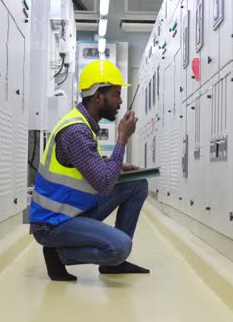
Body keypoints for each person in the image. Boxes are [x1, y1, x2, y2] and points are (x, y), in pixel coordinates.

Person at [29, 60, 150, 281]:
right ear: (97, 96)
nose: (120, 101)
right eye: (116, 94)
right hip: (54, 223)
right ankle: (58, 252)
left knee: (137, 184)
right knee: (120, 247)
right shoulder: (76, 130)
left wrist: (114, 165)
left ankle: (114, 266)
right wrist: (122, 137)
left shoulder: (84, 125)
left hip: (72, 211)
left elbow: (85, 167)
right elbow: (103, 184)